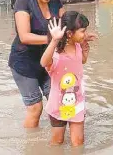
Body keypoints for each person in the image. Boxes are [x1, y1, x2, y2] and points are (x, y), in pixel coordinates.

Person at [8, 0, 95, 129]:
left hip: (50, 63)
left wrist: (80, 35)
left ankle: (60, 140)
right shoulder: (24, 1)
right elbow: (24, 36)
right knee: (35, 108)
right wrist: (53, 39)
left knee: (63, 99)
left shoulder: (55, 0)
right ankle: (32, 145)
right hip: (25, 63)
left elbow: (67, 25)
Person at [40, 11, 94, 146]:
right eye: (82, 31)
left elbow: (81, 61)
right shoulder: (56, 54)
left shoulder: (77, 46)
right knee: (57, 142)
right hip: (58, 105)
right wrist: (54, 40)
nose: (85, 34)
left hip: (77, 103)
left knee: (78, 143)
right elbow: (43, 62)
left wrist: (85, 47)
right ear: (70, 34)